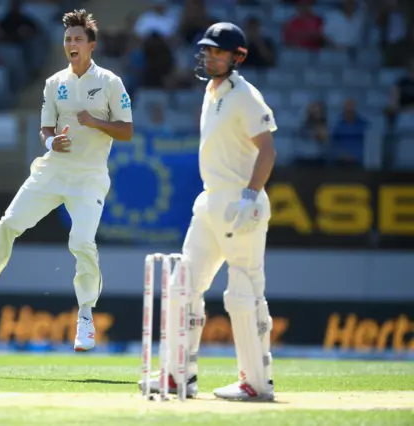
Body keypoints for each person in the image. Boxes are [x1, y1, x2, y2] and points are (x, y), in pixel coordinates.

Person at [0, 9, 133, 352]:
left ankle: (86, 316)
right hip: (51, 170)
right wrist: (51, 142)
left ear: (91, 45)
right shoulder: (54, 83)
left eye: (78, 39)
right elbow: (46, 128)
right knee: (7, 224)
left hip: (89, 178)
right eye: (67, 39)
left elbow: (127, 130)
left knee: (81, 243)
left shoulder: (109, 82)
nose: (72, 44)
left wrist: (95, 122)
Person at [139, 23, 277, 401]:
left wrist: (251, 195)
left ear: (238, 57)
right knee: (181, 285)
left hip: (240, 203)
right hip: (210, 201)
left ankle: (256, 382)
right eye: (208, 50)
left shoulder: (246, 96)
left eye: (219, 51)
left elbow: (267, 151)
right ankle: (176, 375)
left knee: (243, 291)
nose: (211, 56)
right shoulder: (210, 90)